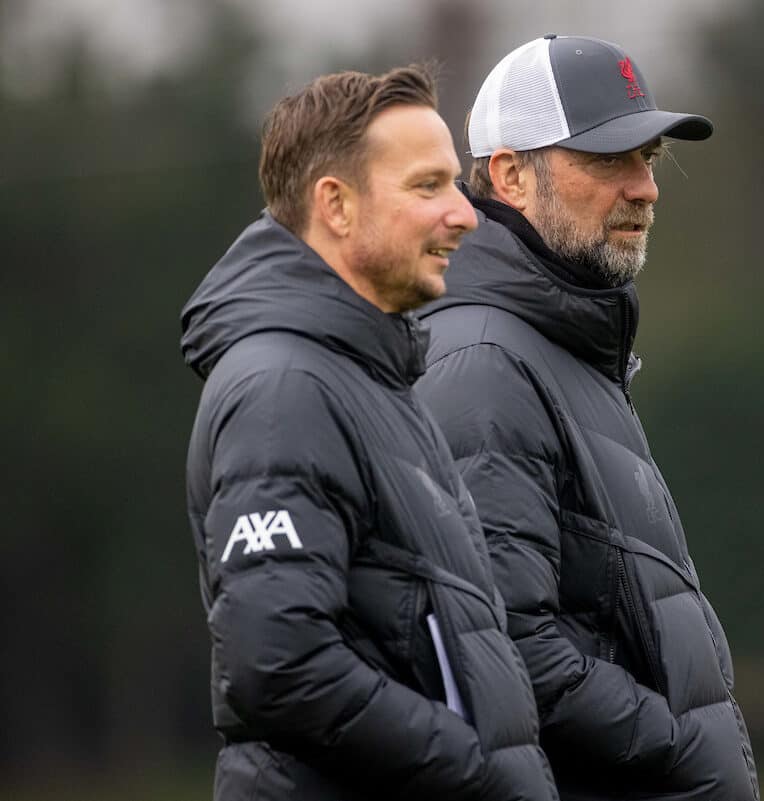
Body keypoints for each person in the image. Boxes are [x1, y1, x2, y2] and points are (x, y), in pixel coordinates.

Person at [180, 65, 558, 801]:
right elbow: (277, 664)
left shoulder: (369, 374)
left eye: (456, 182)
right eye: (428, 187)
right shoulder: (285, 389)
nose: (466, 214)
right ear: (337, 205)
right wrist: (472, 766)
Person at [414, 36, 759, 801]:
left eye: (650, 157)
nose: (646, 188)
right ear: (509, 175)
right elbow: (508, 647)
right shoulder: (484, 363)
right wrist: (680, 749)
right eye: (609, 160)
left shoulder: (562, 344)